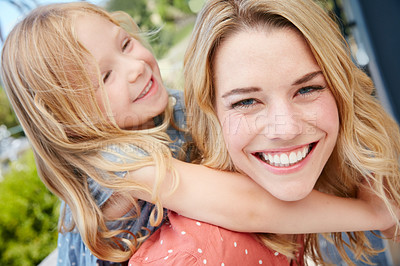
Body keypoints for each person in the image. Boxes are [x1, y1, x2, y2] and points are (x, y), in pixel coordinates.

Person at [0, 2, 397, 265]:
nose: (135, 66)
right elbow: (247, 205)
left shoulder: (171, 109)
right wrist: (371, 213)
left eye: (125, 43)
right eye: (105, 75)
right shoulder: (113, 165)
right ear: (66, 120)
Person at [129, 0, 400, 264]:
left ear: (342, 93)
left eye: (307, 89)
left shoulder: (308, 195)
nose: (286, 129)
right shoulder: (198, 257)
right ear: (211, 116)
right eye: (246, 101)